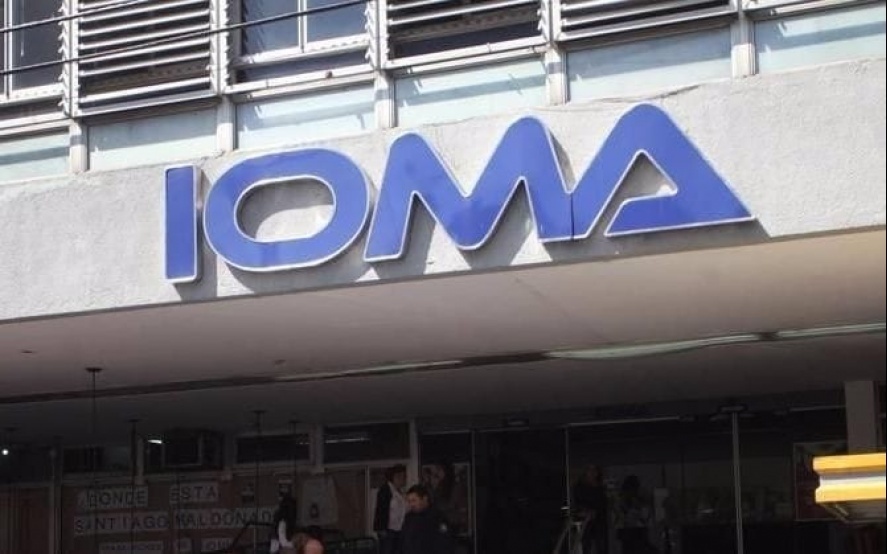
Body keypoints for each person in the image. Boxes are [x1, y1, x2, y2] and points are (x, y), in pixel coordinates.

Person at [400, 484, 455, 554]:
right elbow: (403, 540)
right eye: (409, 501)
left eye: (414, 500)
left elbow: (444, 543)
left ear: (424, 499)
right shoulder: (409, 518)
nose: (411, 504)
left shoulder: (437, 517)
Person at [572, 465, 609, 554]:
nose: (592, 473)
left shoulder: (601, 488)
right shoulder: (579, 487)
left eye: (594, 470)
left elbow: (604, 504)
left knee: (602, 547)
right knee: (585, 546)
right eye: (589, 470)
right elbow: (577, 502)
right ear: (585, 472)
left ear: (597, 473)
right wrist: (585, 511)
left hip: (600, 522)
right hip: (585, 522)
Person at [614, 476, 656, 554]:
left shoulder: (640, 500)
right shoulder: (622, 500)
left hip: (636, 535)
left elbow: (646, 518)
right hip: (630, 535)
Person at [374, 464, 408, 554]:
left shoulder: (400, 491)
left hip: (399, 529)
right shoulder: (386, 490)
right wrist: (381, 529)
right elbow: (381, 510)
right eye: (402, 477)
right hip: (388, 530)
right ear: (395, 477)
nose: (404, 479)